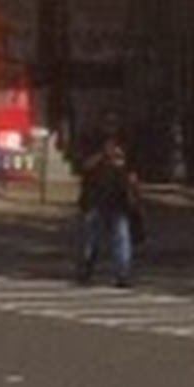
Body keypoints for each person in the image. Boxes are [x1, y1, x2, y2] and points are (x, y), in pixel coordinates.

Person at [75, 113, 143, 287]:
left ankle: (123, 274)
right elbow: (83, 166)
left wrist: (135, 194)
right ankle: (86, 269)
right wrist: (102, 154)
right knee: (91, 238)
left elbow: (132, 172)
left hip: (118, 197)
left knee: (122, 236)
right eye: (108, 123)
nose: (111, 127)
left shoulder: (125, 144)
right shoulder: (91, 142)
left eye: (114, 124)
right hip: (95, 196)